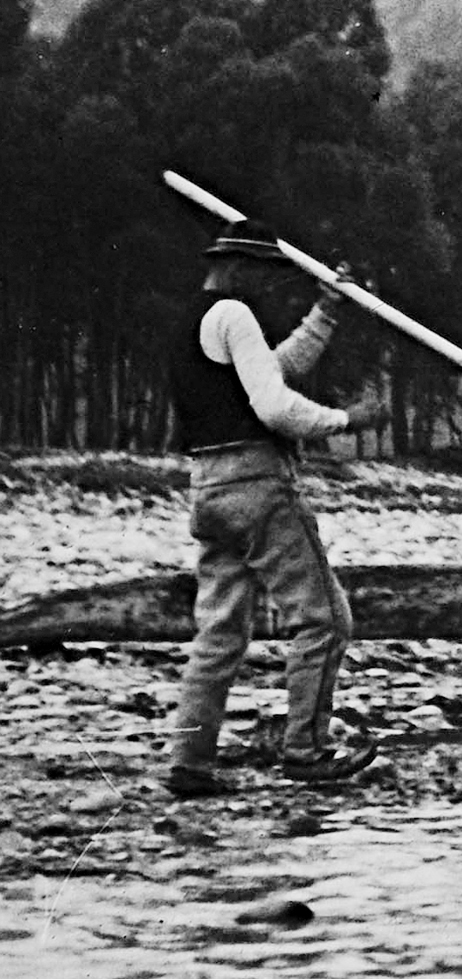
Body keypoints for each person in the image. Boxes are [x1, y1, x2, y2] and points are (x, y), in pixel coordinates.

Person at [164, 227, 389, 796]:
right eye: (262, 276)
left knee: (219, 633)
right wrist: (348, 421)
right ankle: (305, 750)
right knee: (325, 620)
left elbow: (272, 368)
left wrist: (326, 314)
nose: (265, 289)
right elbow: (274, 406)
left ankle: (189, 762)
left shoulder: (192, 320)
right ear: (240, 269)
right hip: (259, 487)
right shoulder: (235, 313)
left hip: (208, 488)